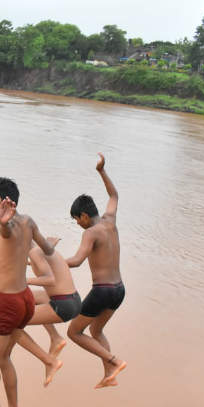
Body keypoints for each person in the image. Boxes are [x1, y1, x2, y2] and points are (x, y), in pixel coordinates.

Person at [0, 177, 57, 407]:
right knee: (3, 358)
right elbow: (47, 249)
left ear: (0, 201)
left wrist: (3, 223)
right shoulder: (29, 222)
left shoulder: (2, 222)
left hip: (8, 302)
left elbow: (6, 230)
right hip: (25, 297)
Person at [65, 153, 127, 389]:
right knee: (95, 329)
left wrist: (52, 261)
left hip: (102, 291)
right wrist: (102, 171)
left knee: (74, 332)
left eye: (76, 220)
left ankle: (115, 360)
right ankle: (109, 373)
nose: (78, 224)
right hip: (119, 289)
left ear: (83, 215)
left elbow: (77, 261)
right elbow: (113, 195)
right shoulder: (110, 221)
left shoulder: (90, 232)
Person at [14, 239, 82, 387]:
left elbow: (49, 279)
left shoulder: (34, 252)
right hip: (74, 299)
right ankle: (55, 337)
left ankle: (50, 362)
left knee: (12, 326)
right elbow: (50, 262)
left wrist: (23, 280)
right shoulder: (42, 248)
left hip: (63, 305)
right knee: (29, 298)